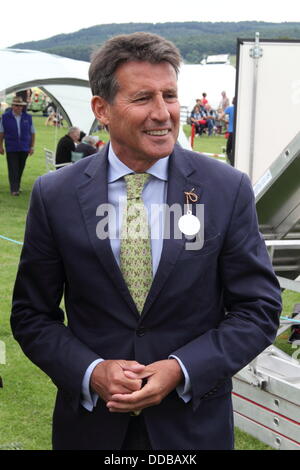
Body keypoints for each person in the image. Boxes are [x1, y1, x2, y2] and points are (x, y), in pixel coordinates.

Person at [11, 32, 281, 451]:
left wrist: (181, 368)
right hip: (91, 430)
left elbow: (258, 307)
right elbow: (32, 316)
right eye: (142, 99)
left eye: (170, 96)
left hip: (193, 429)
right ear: (102, 109)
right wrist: (91, 371)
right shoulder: (55, 195)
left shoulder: (225, 189)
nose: (163, 113)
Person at [0, 96, 35, 195]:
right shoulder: (5, 117)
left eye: (20, 106)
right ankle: (14, 189)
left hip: (24, 147)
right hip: (11, 147)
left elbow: (32, 133)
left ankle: (17, 186)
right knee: (13, 168)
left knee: (20, 168)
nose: (19, 108)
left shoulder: (28, 117)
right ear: (12, 106)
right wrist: (0, 146)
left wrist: (32, 146)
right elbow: (1, 133)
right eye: (16, 105)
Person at [223, 97, 235, 166]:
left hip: (231, 132)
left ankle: (232, 163)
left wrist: (226, 121)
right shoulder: (240, 109)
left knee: (228, 150)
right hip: (238, 133)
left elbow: (221, 117)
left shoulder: (230, 108)